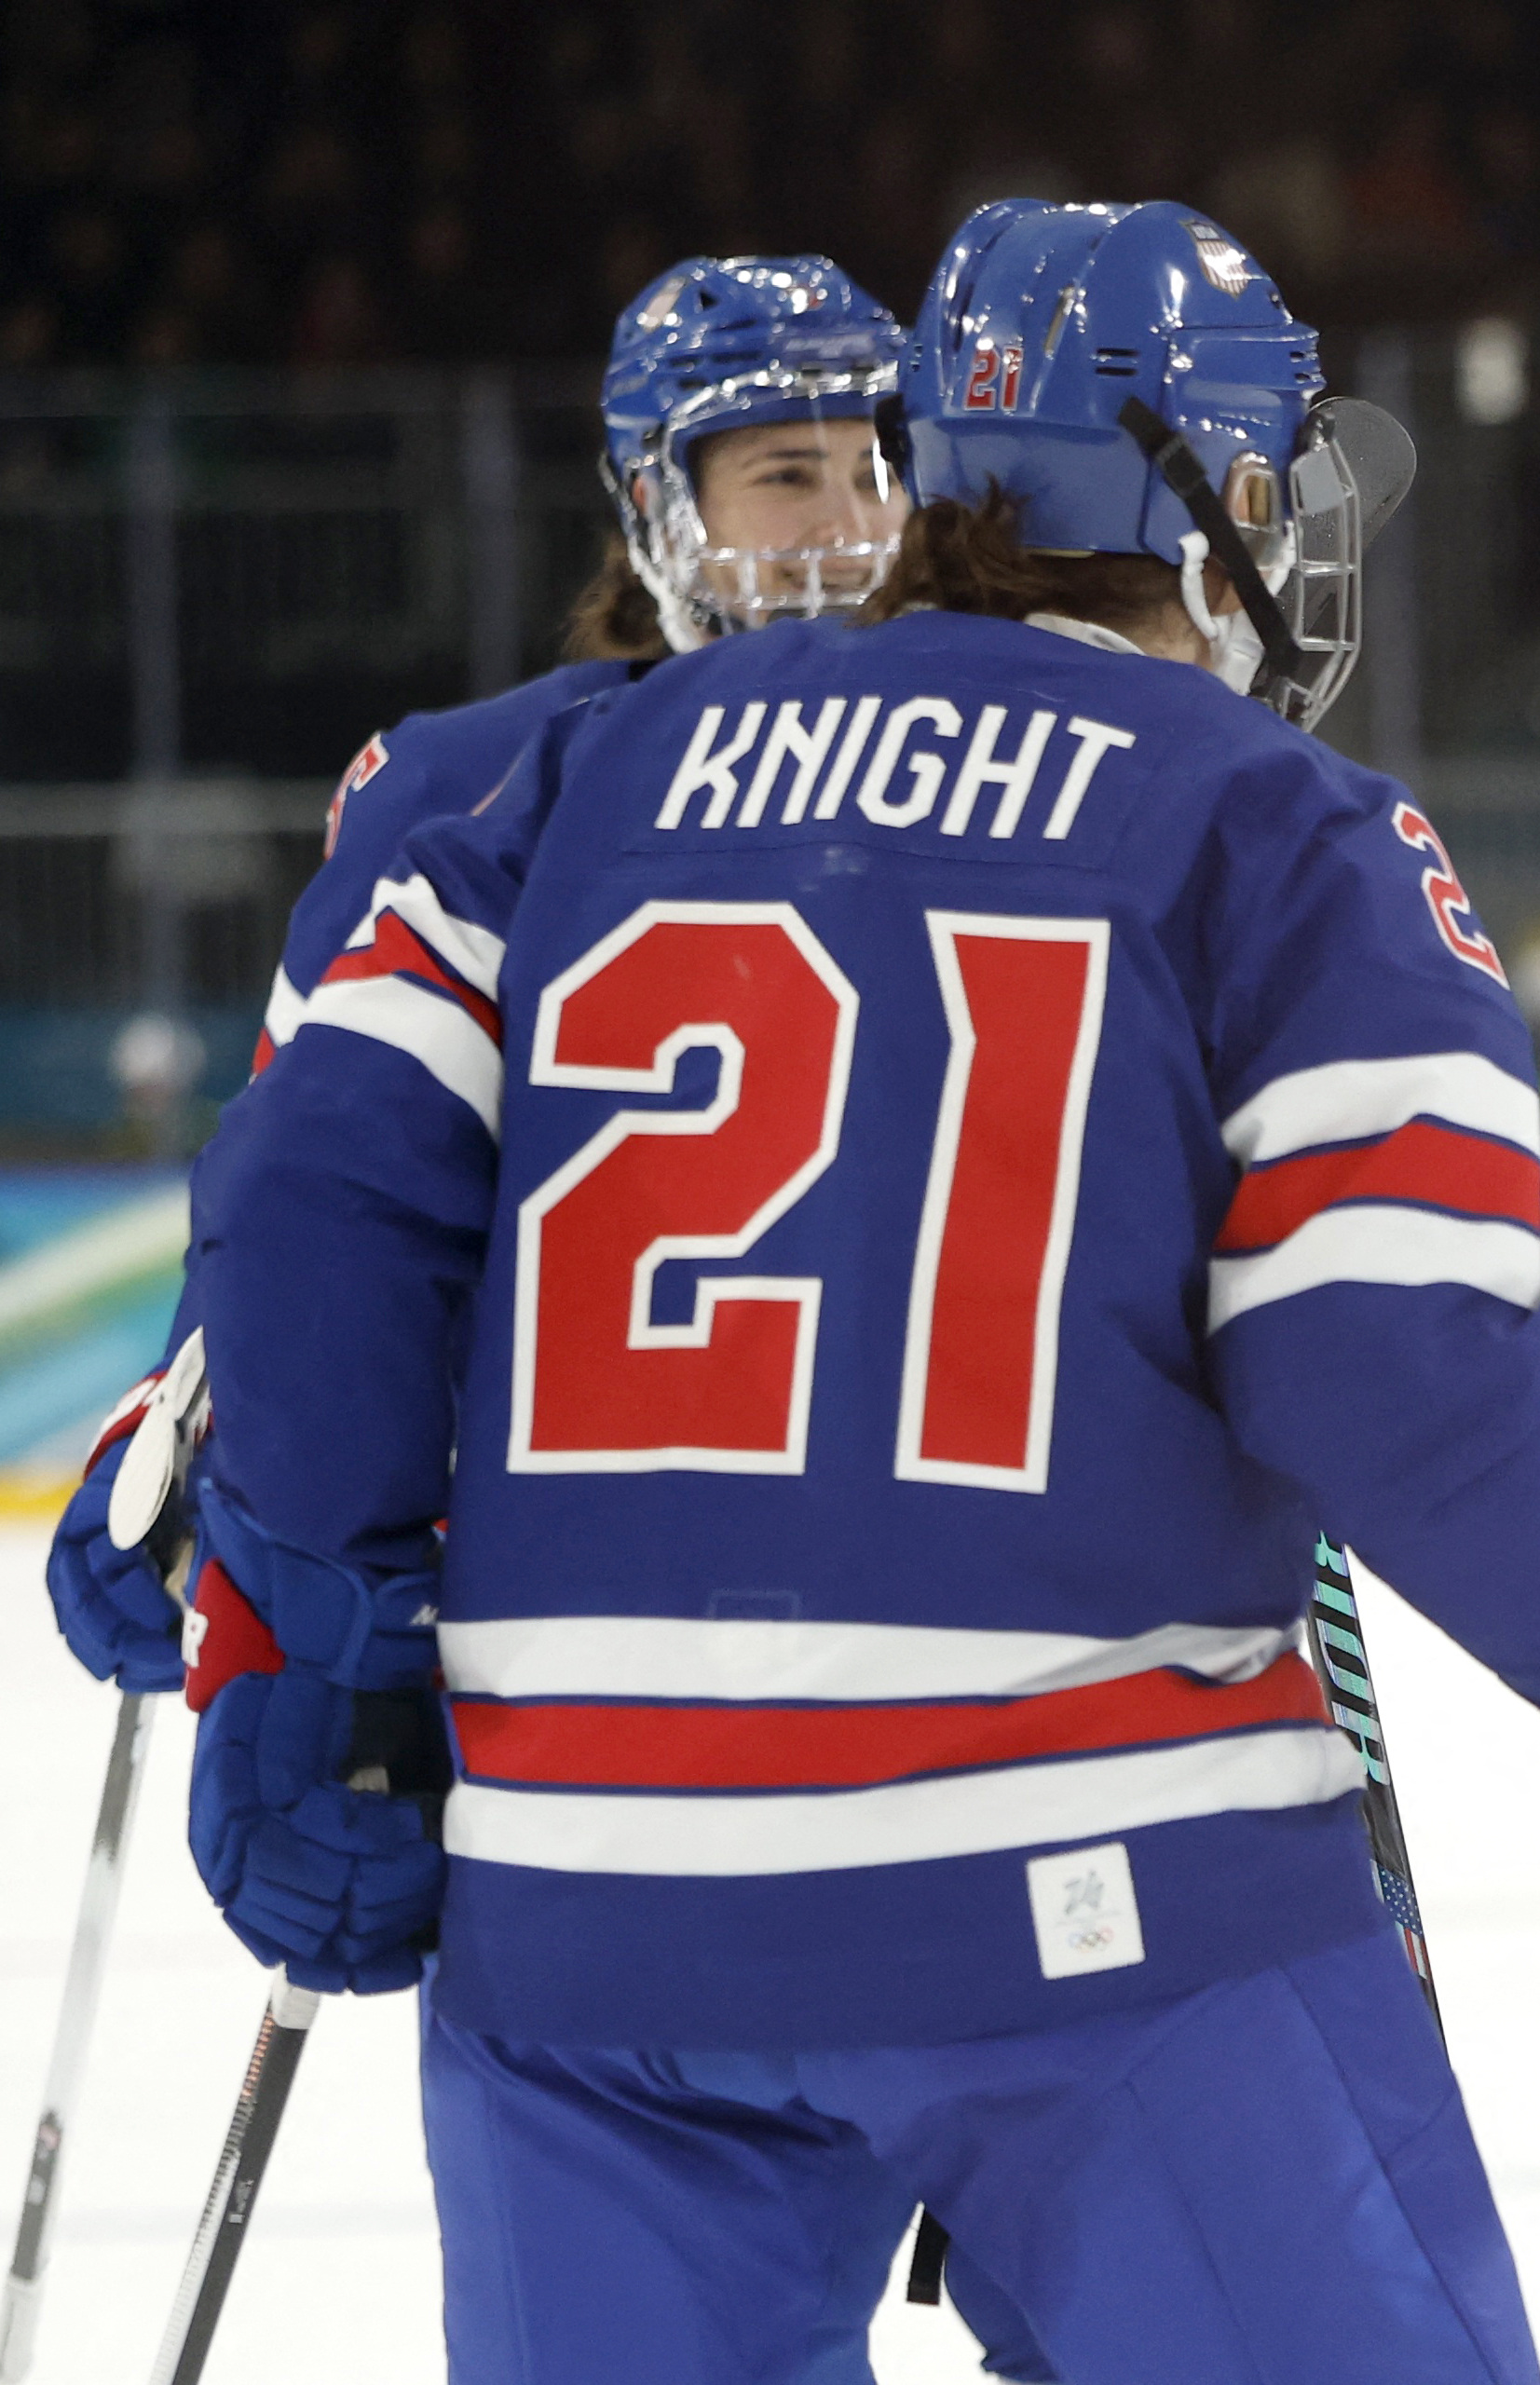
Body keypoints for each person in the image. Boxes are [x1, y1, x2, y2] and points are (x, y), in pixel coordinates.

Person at [174, 195, 1540, 2385]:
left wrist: (308, 1637)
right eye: (1268, 477)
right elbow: (1402, 1373)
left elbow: (310, 1193)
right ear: (1186, 490)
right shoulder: (1283, 824)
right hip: (1092, 1901)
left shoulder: (570, 774)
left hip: (582, 1910)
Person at [44, 252, 909, 1696]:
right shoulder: (464, 789)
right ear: (657, 509)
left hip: (928, 1566)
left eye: (882, 471)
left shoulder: (1013, 780)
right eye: (786, 476)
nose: (851, 528)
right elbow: (302, 1174)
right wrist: (189, 1414)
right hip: (581, 1577)